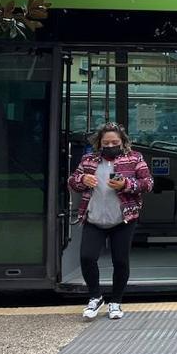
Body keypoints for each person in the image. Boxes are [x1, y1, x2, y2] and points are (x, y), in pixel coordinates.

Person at [67, 122, 153, 320]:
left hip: (123, 219)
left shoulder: (135, 158)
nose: (111, 145)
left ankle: (116, 302)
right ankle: (96, 297)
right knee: (87, 258)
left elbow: (148, 184)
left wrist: (126, 184)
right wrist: (82, 181)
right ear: (99, 143)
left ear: (122, 142)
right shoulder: (89, 160)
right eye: (106, 142)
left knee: (120, 261)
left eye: (115, 141)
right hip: (94, 218)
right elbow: (72, 181)